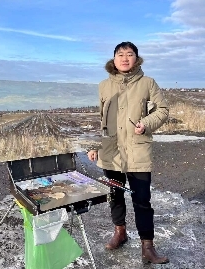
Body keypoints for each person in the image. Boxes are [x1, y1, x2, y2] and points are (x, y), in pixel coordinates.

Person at [87, 41, 169, 264]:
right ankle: (120, 232)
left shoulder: (147, 83)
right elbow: (100, 118)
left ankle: (147, 247)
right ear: (114, 59)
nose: (125, 58)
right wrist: (93, 145)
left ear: (136, 58)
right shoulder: (104, 85)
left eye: (129, 54)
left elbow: (163, 110)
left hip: (137, 152)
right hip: (110, 152)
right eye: (120, 54)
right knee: (115, 196)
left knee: (142, 200)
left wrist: (146, 123)